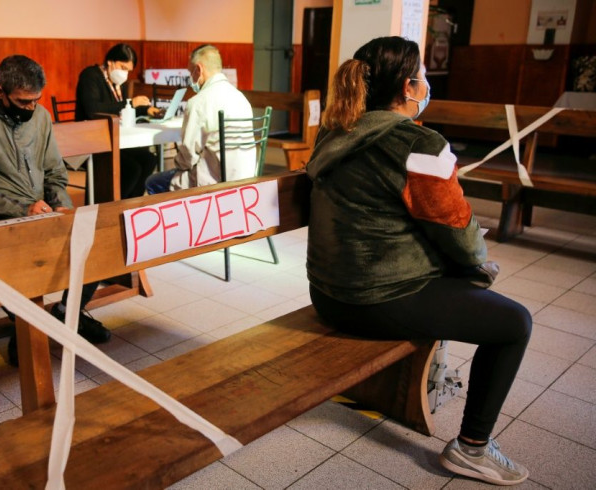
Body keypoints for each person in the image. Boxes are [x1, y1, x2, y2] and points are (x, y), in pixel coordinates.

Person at [305, 36, 532, 486]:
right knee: (514, 323)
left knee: (465, 280)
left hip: (328, 294)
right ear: (408, 87)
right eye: (423, 76)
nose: (426, 83)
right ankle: (472, 449)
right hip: (377, 299)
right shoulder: (418, 143)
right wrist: (475, 262)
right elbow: (461, 236)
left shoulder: (335, 132)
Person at [0, 55, 111, 366]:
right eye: (24, 102)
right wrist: (23, 209)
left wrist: (61, 202)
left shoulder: (39, 117)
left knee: (96, 242)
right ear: (0, 93)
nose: (31, 108)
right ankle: (26, 326)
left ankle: (68, 313)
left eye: (36, 101)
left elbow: (54, 172)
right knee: (17, 261)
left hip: (41, 207)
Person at [145, 45, 254, 193]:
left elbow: (188, 157)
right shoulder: (241, 98)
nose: (191, 78)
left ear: (199, 69)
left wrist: (177, 163)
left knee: (153, 182)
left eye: (191, 72)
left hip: (213, 183)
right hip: (246, 179)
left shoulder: (199, 102)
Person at [75, 43, 162, 198]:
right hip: (94, 140)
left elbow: (119, 108)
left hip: (115, 138)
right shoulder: (90, 76)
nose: (125, 74)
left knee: (149, 159)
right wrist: (129, 102)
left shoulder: (117, 83)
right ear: (110, 61)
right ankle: (112, 203)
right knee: (132, 168)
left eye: (128, 70)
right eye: (122, 68)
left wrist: (145, 109)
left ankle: (129, 203)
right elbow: (93, 109)